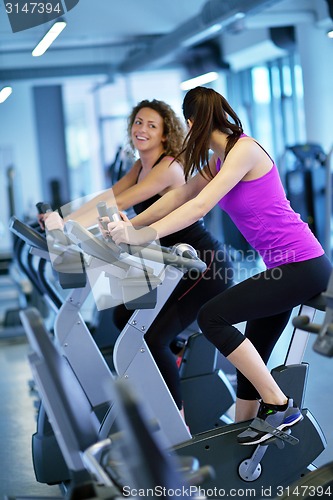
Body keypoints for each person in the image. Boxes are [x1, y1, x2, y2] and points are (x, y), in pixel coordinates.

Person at [108, 86, 332, 445]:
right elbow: (179, 197)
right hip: (285, 267)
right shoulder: (219, 160)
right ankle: (238, 439)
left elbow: (198, 208)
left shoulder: (243, 150)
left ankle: (278, 405)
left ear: (194, 121)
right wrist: (130, 226)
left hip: (304, 264)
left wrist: (140, 236)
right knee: (250, 356)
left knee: (213, 316)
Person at [42, 98, 234, 416]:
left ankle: (177, 423)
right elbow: (108, 197)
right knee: (122, 317)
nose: (142, 129)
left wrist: (66, 223)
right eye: (138, 122)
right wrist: (63, 217)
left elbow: (123, 201)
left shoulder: (168, 167)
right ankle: (170, 364)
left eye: (151, 125)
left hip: (201, 265)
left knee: (151, 336)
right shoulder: (140, 166)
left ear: (164, 134)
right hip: (170, 263)